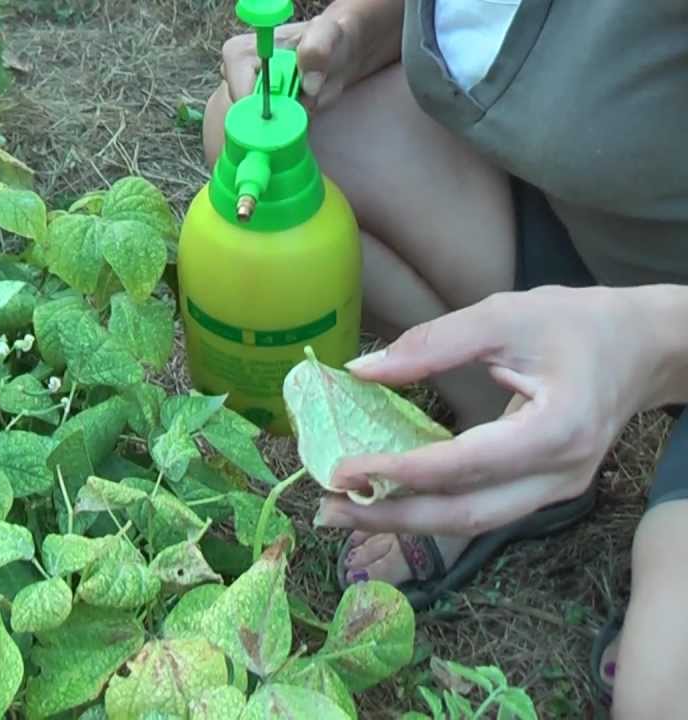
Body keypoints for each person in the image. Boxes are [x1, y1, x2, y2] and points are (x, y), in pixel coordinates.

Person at [207, 0, 688, 715]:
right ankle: (502, 420)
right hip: (599, 237)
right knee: (269, 148)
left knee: (660, 697)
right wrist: (353, 33)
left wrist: (652, 341)